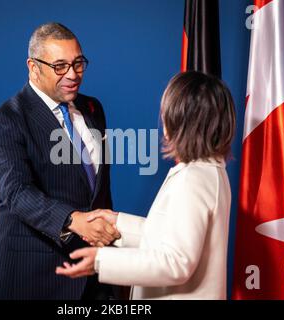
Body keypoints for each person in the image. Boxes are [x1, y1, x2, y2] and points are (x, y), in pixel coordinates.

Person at [56, 71, 236, 299]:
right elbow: (172, 236)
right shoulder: (209, 172)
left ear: (179, 122)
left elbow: (176, 261)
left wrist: (100, 261)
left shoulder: (193, 179)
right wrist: (119, 223)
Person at [0, 22, 120, 300]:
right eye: (60, 66)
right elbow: (17, 193)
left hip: (94, 275)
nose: (73, 74)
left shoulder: (93, 109)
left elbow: (95, 190)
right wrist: (73, 220)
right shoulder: (6, 120)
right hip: (32, 277)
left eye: (78, 63)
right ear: (33, 67)